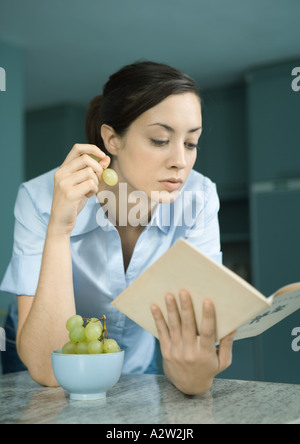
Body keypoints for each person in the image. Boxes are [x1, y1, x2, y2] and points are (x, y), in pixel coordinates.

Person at [0, 61, 235, 395]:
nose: (180, 162)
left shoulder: (199, 197)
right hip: (36, 353)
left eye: (191, 143)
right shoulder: (39, 199)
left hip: (134, 361)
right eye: (159, 140)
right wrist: (58, 230)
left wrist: (196, 373)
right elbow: (48, 370)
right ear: (112, 139)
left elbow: (192, 355)